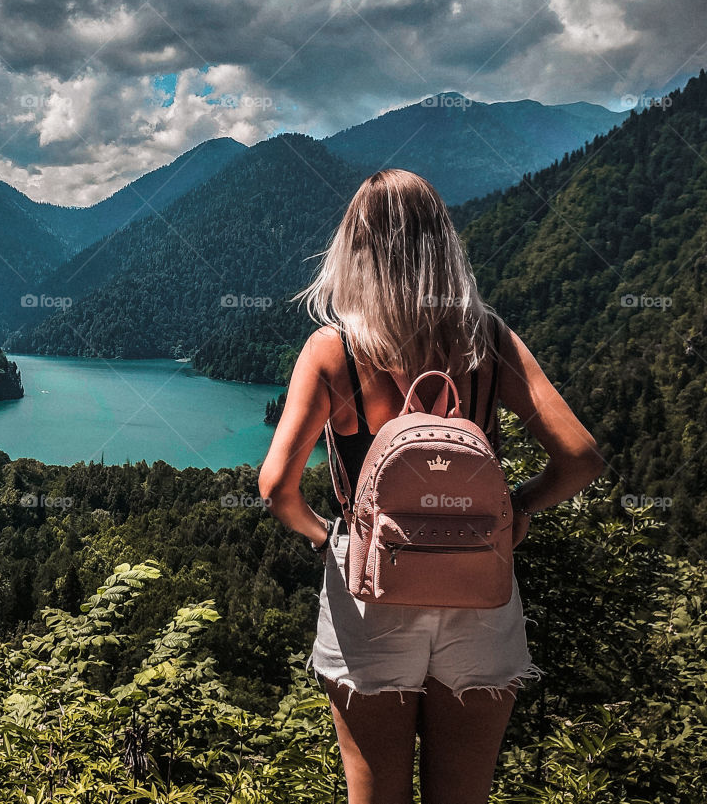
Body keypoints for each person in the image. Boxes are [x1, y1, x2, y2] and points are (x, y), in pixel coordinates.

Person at [258, 168, 605, 804]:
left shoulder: (334, 350)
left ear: (354, 250)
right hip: (479, 580)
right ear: (443, 245)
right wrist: (521, 505)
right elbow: (581, 456)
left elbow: (277, 485)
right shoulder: (486, 338)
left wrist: (325, 538)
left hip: (370, 587)